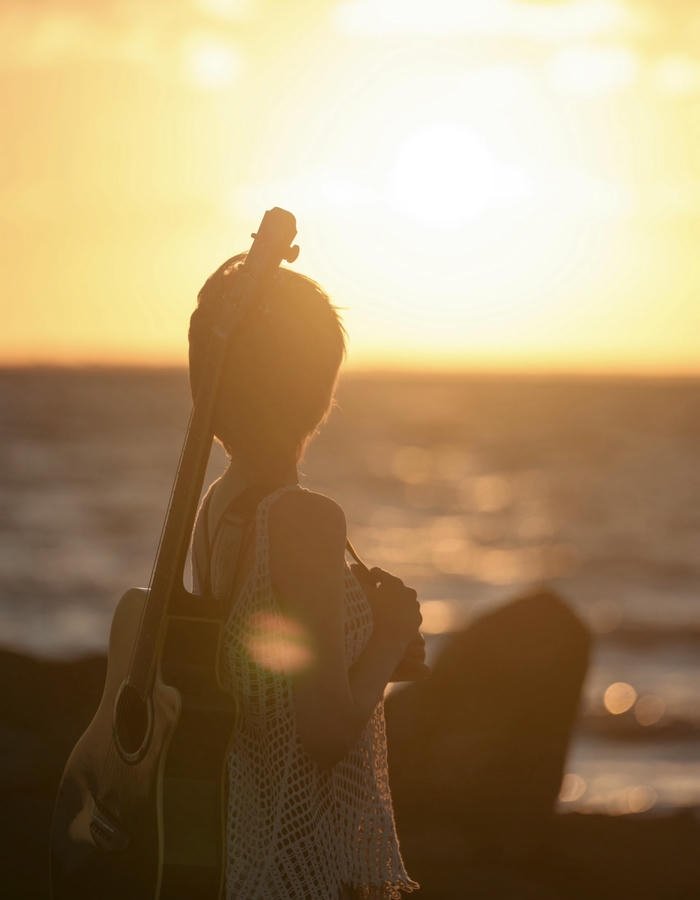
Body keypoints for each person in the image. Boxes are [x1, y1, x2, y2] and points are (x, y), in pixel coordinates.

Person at [188, 253, 422, 899]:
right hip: (291, 859)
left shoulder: (219, 503)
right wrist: (389, 639)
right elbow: (321, 734)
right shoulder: (302, 518)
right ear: (319, 389)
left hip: (243, 831)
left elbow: (258, 679)